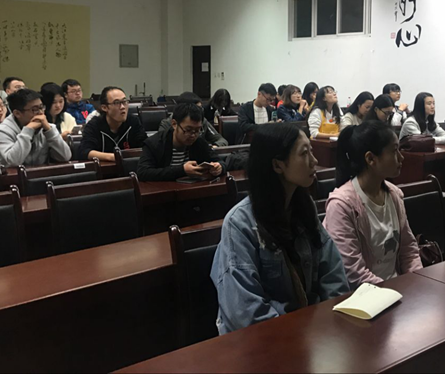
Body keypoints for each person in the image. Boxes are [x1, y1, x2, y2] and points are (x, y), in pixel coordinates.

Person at [210, 123, 349, 334]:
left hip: (311, 330)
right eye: (304, 153)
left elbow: (333, 274)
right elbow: (244, 312)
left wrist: (332, 321)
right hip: (263, 339)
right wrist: (300, 334)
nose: (314, 161)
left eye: (311, 151)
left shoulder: (304, 208)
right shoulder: (240, 223)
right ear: (277, 165)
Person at [324, 121, 421, 289]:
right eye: (394, 151)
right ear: (370, 159)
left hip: (397, 290)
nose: (401, 157)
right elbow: (353, 272)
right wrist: (393, 292)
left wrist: (418, 283)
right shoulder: (342, 206)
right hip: (367, 296)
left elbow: (409, 251)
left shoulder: (394, 195)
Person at [138, 103, 225, 182]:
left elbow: (220, 161)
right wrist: (182, 170)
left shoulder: (199, 142)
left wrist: (219, 167)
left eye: (197, 130)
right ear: (174, 124)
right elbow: (143, 173)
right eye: (188, 130)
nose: (193, 135)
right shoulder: (155, 143)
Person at [0, 88, 71, 166]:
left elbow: (65, 157)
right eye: (34, 109)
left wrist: (49, 131)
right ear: (17, 113)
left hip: (41, 173)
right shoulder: (3, 131)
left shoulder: (47, 127)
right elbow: (12, 162)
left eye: (41, 107)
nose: (41, 113)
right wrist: (28, 130)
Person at [79, 86, 147, 162]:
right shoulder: (94, 125)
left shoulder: (133, 121)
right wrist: (115, 157)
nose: (122, 107)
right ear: (104, 107)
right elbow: (85, 152)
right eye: (116, 103)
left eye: (124, 101)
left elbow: (145, 146)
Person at [159, 92, 227, 147]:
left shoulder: (202, 121)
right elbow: (161, 145)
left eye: (197, 130)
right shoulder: (167, 124)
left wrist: (214, 147)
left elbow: (221, 140)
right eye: (188, 130)